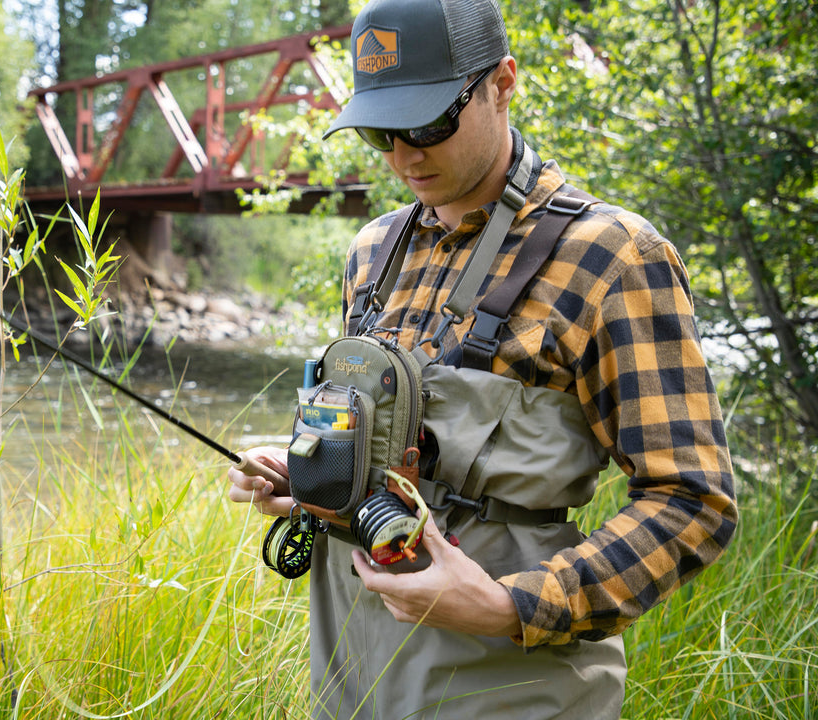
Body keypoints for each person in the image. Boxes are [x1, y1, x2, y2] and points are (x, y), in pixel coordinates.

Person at [227, 0, 737, 717]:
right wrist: (311, 476)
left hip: (512, 688)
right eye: (380, 131)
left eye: (430, 122)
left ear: (502, 82)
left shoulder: (614, 256)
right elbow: (390, 456)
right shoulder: (371, 252)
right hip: (346, 679)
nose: (405, 154)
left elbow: (694, 504)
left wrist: (507, 606)